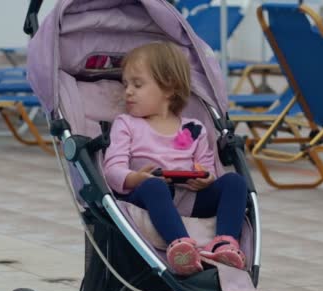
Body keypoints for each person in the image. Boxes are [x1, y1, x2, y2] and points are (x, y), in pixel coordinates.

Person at [103, 42, 247, 276]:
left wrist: (206, 178)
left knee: (235, 182)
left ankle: (225, 242)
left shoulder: (194, 128)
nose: (128, 91)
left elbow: (207, 166)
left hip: (189, 196)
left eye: (137, 85)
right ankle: (181, 246)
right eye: (126, 84)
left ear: (169, 88)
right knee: (154, 185)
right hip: (147, 195)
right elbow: (112, 169)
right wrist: (135, 178)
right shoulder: (126, 124)